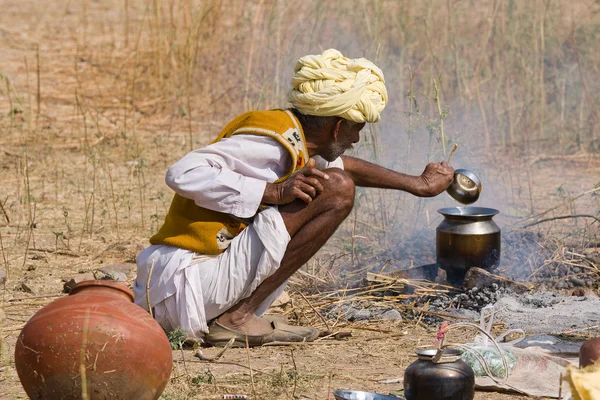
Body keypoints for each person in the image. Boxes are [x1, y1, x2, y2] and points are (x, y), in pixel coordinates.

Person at [134, 49, 454, 347]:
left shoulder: (294, 135)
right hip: (185, 287)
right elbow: (182, 172)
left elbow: (344, 166)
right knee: (338, 189)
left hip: (182, 287)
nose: (356, 139)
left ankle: (237, 313)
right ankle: (238, 317)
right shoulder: (271, 143)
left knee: (334, 181)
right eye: (356, 129)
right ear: (337, 126)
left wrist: (418, 184)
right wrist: (273, 191)